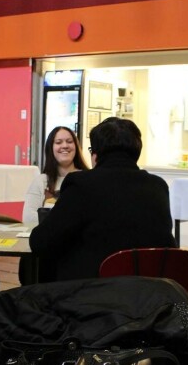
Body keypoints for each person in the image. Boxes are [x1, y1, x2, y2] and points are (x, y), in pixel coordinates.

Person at [29, 116, 176, 281]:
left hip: (91, 295)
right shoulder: (157, 186)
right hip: (149, 295)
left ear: (96, 154)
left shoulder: (81, 184)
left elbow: (41, 242)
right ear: (137, 151)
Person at [22, 126, 90, 224]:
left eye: (69, 141)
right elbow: (28, 219)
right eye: (58, 142)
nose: (65, 145)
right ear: (51, 148)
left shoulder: (88, 178)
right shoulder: (41, 181)